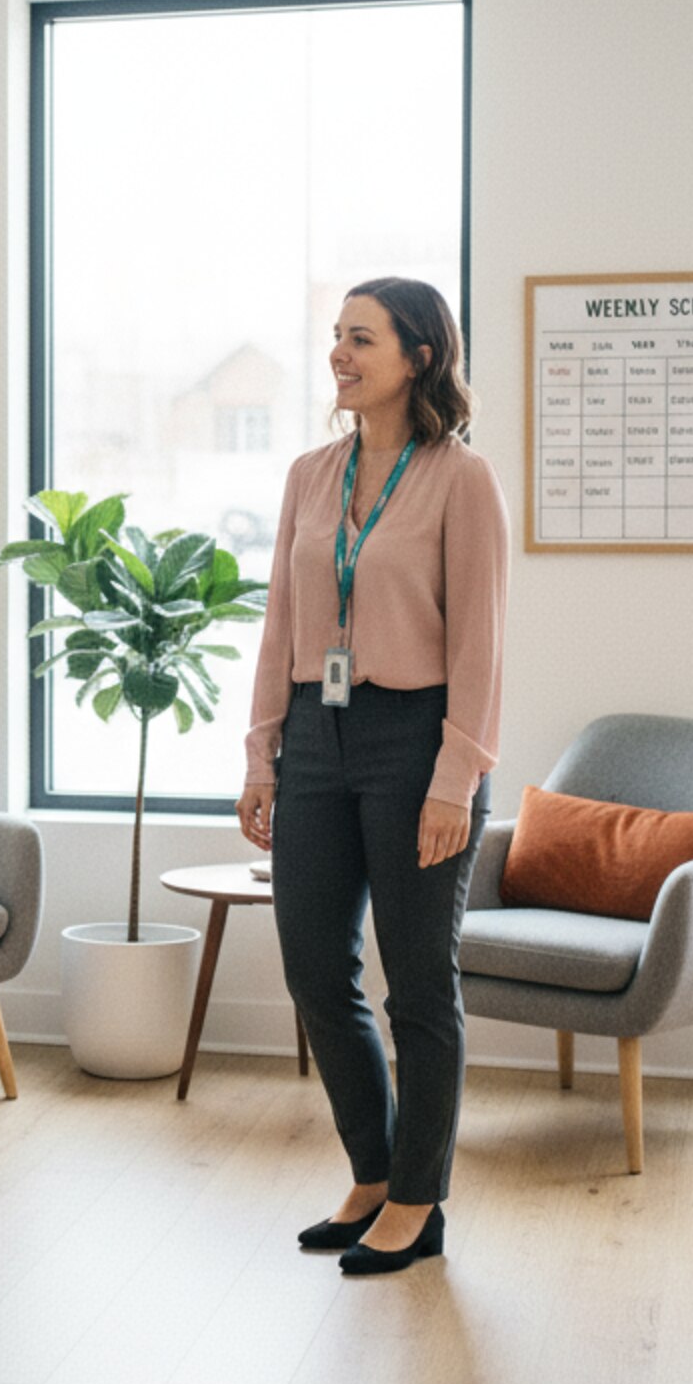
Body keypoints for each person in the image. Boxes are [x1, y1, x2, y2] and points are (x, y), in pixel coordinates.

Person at [237, 278, 509, 1277]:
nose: (338, 355)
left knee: (417, 984)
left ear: (418, 355)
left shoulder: (458, 477)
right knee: (313, 966)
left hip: (414, 738)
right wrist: (260, 749)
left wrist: (454, 778)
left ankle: (417, 1194)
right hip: (314, 729)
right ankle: (369, 1169)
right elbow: (280, 623)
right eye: (335, 338)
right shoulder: (311, 473)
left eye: (360, 339)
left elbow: (480, 643)